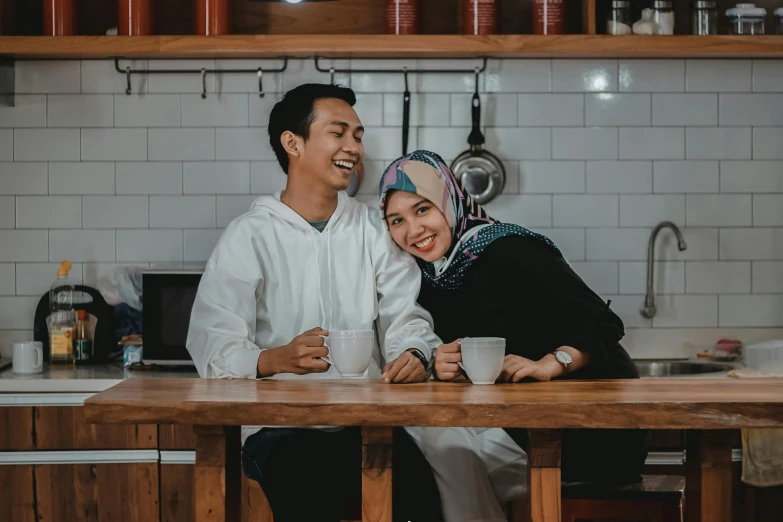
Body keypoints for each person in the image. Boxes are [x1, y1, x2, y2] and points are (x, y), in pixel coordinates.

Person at [186, 85, 444, 522]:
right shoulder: (249, 235)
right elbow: (213, 345)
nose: (353, 147)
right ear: (293, 144)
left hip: (370, 422)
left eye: (358, 136)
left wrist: (416, 353)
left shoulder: (373, 230)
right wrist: (274, 358)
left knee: (421, 503)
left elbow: (406, 316)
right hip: (281, 427)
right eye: (338, 133)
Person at [380, 150, 650, 522]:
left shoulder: (509, 249)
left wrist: (550, 365)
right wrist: (441, 364)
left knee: (437, 450)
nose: (413, 230)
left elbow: (603, 324)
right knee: (419, 450)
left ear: (450, 199)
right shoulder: (430, 277)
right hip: (518, 425)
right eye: (397, 220)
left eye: (423, 209)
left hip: (590, 432)